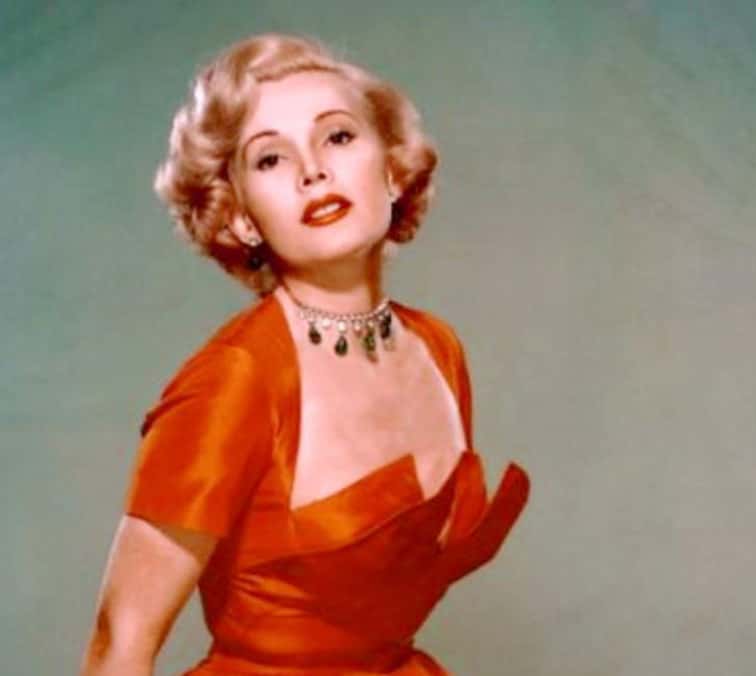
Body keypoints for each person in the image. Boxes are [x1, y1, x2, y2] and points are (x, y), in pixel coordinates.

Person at [80, 32, 531, 676]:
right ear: (240, 217)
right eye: (270, 159)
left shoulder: (438, 350)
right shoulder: (234, 380)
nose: (312, 170)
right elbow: (120, 641)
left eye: (338, 137)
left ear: (392, 172)